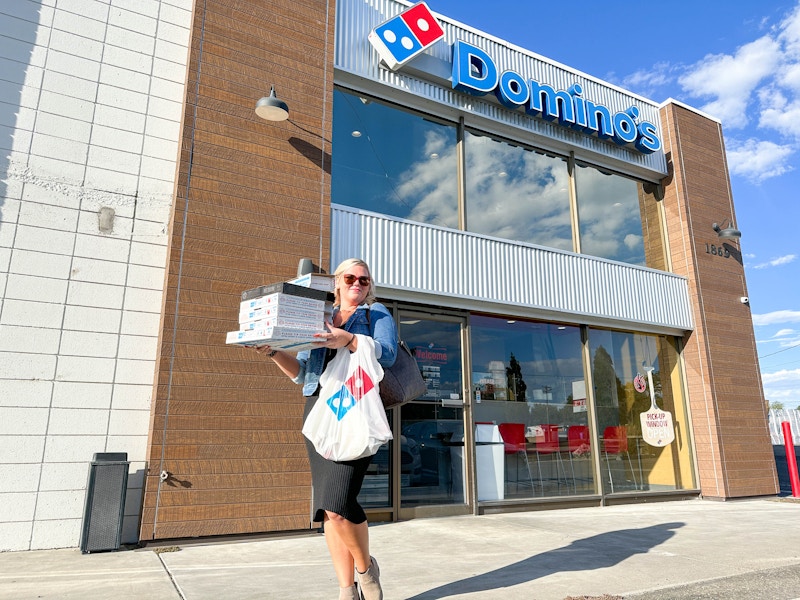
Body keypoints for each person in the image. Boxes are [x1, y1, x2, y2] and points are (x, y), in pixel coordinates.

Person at [255, 258, 398, 600]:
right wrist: (274, 351)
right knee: (328, 511)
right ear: (336, 282)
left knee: (339, 503)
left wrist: (348, 339)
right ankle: (345, 590)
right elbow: (304, 375)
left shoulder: (375, 314)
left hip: (354, 407)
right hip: (319, 409)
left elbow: (388, 355)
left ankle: (366, 571)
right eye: (350, 277)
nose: (357, 284)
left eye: (364, 280)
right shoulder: (318, 318)